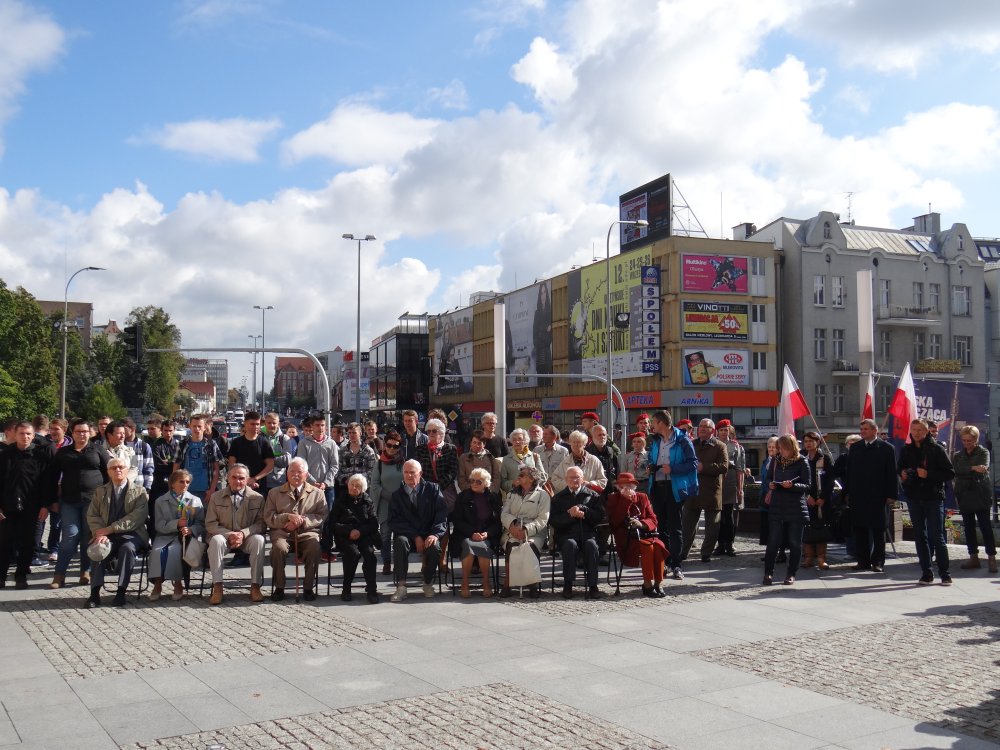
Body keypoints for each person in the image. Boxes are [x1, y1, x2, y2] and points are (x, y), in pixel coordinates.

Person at [50, 419, 108, 588]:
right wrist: (52, 500)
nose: (82, 434)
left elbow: (108, 473)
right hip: (69, 501)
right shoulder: (63, 452)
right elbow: (52, 477)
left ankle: (85, 571)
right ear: (72, 433)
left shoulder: (98, 450)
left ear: (90, 433)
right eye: (78, 431)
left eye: (85, 431)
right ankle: (59, 574)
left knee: (87, 537)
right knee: (70, 536)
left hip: (93, 501)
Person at [84, 457, 149, 607]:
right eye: (114, 468)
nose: (117, 470)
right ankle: (94, 594)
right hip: (106, 535)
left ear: (127, 470)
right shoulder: (100, 492)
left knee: (128, 549)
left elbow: (136, 518)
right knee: (98, 548)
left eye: (121, 467)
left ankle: (121, 592)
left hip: (132, 534)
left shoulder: (140, 491)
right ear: (108, 472)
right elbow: (92, 515)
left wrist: (109, 529)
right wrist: (99, 533)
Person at [899, 418, 955, 585]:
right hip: (914, 496)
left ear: (927, 431)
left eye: (920, 430)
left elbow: (949, 473)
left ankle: (945, 573)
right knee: (920, 536)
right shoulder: (906, 449)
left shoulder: (936, 449)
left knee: (936, 536)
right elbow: (899, 467)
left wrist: (928, 474)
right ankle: (926, 572)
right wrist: (902, 473)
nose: (916, 433)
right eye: (914, 430)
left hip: (933, 497)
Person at [264, 456, 327, 601]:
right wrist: (287, 517)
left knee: (314, 548)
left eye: (299, 472)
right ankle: (279, 587)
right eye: (292, 471)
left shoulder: (317, 493)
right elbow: (268, 517)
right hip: (282, 532)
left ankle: (308, 587)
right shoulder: (274, 493)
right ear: (287, 473)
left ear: (306, 474)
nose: (295, 475)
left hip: (307, 532)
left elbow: (322, 515)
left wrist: (301, 521)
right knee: (278, 549)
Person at [646, 410, 698, 581]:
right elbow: (651, 458)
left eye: (653, 422)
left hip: (674, 487)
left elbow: (693, 463)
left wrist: (673, 469)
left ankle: (677, 564)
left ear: (661, 423)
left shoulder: (682, 439)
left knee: (675, 527)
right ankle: (665, 562)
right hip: (657, 486)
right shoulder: (655, 440)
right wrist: (651, 466)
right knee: (661, 527)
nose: (652, 426)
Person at [0, 422, 53, 589]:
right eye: (22, 433)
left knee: (28, 543)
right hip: (7, 506)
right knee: (4, 543)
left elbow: (46, 483)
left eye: (29, 434)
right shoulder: (4, 455)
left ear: (33, 435)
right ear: (15, 435)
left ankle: (21, 575)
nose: (25, 437)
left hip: (32, 506)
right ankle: (1, 576)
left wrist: (45, 505)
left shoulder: (40, 456)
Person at [205, 463, 266, 604]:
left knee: (259, 540)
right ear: (227, 478)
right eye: (234, 477)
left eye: (241, 478)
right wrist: (229, 534)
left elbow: (261, 524)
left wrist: (243, 534)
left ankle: (255, 586)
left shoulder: (258, 498)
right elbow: (210, 524)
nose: (237, 481)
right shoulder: (216, 497)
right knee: (216, 541)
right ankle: (217, 587)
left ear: (247, 479)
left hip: (247, 537)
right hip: (224, 537)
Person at [388, 459, 447, 601]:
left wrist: (435, 534)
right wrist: (415, 536)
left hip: (428, 532)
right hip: (408, 535)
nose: (409, 475)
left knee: (435, 547)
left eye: (412, 472)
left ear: (420, 473)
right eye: (406, 472)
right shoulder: (396, 495)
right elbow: (394, 521)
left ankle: (427, 582)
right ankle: (401, 586)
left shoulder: (433, 489)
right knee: (400, 542)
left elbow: (441, 514)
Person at [845, 419, 898, 573]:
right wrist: (847, 492)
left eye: (866, 429)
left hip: (878, 495)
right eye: (861, 429)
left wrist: (891, 494)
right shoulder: (855, 448)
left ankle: (878, 562)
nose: (862, 432)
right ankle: (863, 561)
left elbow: (891, 473)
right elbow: (850, 472)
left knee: (878, 530)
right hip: (858, 495)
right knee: (860, 529)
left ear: (875, 430)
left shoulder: (887, 448)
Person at [607, 472, 667, 596]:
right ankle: (647, 584)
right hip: (626, 538)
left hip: (646, 534)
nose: (626, 489)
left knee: (658, 546)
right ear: (618, 487)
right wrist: (625, 500)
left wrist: (642, 523)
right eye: (623, 486)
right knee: (648, 548)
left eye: (629, 486)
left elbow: (653, 519)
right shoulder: (613, 498)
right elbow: (614, 522)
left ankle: (658, 583)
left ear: (634, 486)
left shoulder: (642, 497)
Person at [550, 465, 606, 599]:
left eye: (577, 477)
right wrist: (570, 515)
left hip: (588, 533)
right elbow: (553, 521)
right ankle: (568, 584)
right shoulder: (558, 498)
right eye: (571, 478)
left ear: (582, 479)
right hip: (566, 534)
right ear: (566, 479)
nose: (574, 480)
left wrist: (585, 511)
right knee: (570, 545)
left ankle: (593, 585)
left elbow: (599, 517)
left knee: (591, 545)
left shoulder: (593, 495)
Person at [149, 470, 205, 602]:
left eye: (187, 482)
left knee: (175, 550)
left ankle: (178, 583)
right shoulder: (160, 501)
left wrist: (191, 529)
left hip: (185, 537)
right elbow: (158, 524)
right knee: (157, 551)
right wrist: (176, 524)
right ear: (172, 483)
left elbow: (201, 523)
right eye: (181, 481)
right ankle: (157, 584)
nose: (185, 484)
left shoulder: (195, 500)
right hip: (164, 535)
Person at [762, 434, 810, 586]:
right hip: (777, 505)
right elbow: (768, 478)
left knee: (795, 542)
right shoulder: (776, 460)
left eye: (783, 448)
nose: (780, 451)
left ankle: (791, 574)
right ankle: (768, 573)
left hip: (795, 506)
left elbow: (807, 485)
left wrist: (793, 485)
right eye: (779, 448)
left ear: (791, 447)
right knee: (773, 542)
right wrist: (770, 484)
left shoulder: (802, 461)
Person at [499, 466, 549, 598]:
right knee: (512, 545)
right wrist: (512, 526)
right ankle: (508, 583)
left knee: (529, 546)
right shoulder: (511, 494)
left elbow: (543, 519)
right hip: (513, 530)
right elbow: (504, 514)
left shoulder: (542, 495)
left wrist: (526, 530)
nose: (518, 477)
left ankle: (532, 584)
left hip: (534, 532)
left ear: (531, 479)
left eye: (522, 475)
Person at [952, 426, 996, 573]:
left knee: (985, 527)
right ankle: (973, 557)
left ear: (976, 439)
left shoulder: (983, 452)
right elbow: (956, 470)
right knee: (969, 527)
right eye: (964, 440)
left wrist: (968, 469)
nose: (966, 443)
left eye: (969, 440)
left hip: (980, 494)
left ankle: (991, 558)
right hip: (964, 494)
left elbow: (983, 468)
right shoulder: (958, 455)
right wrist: (972, 468)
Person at [331, 473, 381, 603]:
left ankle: (372, 589)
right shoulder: (340, 500)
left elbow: (374, 523)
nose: (354, 488)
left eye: (357, 486)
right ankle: (346, 588)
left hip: (363, 535)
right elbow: (333, 523)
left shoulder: (367, 501)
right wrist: (349, 530)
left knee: (370, 555)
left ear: (363, 489)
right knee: (353, 553)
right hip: (345, 536)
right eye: (352, 484)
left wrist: (360, 531)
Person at [452, 466, 501, 598]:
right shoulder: (463, 497)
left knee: (483, 546)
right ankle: (465, 582)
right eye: (472, 480)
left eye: (478, 481)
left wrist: (487, 533)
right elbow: (457, 520)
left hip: (486, 535)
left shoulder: (493, 497)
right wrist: (471, 533)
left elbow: (498, 522)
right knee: (469, 545)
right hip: (465, 534)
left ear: (486, 483)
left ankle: (486, 582)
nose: (474, 483)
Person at [683, 419, 727, 563]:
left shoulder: (720, 446)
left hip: (711, 490)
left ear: (712, 430)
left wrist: (704, 467)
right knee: (687, 524)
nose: (701, 429)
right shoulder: (691, 444)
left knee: (712, 526)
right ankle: (683, 552)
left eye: (705, 427)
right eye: (700, 426)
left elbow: (724, 466)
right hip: (693, 489)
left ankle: (706, 553)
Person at [295, 417, 339, 560]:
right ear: (312, 427)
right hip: (308, 487)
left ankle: (325, 550)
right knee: (306, 517)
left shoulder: (331, 443)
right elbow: (302, 465)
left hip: (327, 488)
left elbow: (334, 466)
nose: (320, 428)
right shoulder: (304, 443)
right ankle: (303, 551)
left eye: (323, 425)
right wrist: (313, 482)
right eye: (317, 425)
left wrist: (325, 483)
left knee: (327, 518)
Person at [371, 430, 403, 575]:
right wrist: (389, 495)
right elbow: (374, 485)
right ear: (385, 445)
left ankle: (399, 562)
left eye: (395, 446)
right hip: (385, 504)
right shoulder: (379, 464)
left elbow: (409, 481)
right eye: (389, 445)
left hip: (401, 505)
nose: (391, 448)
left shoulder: (403, 463)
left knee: (399, 536)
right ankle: (386, 562)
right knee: (385, 535)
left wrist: (400, 497)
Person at [801, 430, 834, 569]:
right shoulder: (801, 458)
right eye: (806, 441)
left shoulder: (825, 458)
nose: (808, 444)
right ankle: (808, 557)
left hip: (821, 501)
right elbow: (799, 479)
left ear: (818, 442)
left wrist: (823, 497)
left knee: (821, 528)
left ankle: (821, 558)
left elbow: (830, 480)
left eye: (811, 441)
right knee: (807, 528)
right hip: (806, 499)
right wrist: (807, 496)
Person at [173, 415, 222, 502]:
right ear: (190, 427)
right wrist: (176, 488)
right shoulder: (182, 444)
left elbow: (216, 470)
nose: (197, 429)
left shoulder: (211, 444)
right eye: (194, 426)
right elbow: (176, 469)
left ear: (204, 427)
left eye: (199, 426)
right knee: (183, 511)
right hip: (186, 490)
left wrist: (212, 490)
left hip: (205, 491)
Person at [714, 421, 743, 556]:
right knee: (718, 516)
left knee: (728, 514)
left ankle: (729, 544)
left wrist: (740, 487)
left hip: (730, 482)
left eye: (726, 430)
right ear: (717, 431)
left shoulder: (735, 446)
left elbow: (740, 468)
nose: (724, 432)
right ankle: (719, 544)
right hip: (716, 482)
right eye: (721, 430)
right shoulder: (712, 444)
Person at [227, 412, 275, 492]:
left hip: (258, 487)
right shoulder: (236, 442)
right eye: (252, 424)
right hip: (239, 485)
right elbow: (232, 464)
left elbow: (270, 465)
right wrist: (243, 479)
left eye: (257, 424)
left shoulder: (264, 443)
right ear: (245, 424)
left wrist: (254, 479)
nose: (255, 427)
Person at [757, 436, 786, 562]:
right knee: (767, 527)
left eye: (774, 447)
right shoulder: (765, 462)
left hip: (778, 499)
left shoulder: (782, 461)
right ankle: (769, 552)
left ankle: (781, 552)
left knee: (779, 527)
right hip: (765, 499)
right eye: (769, 447)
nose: (771, 449)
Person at [499, 428, 548, 496]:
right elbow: (502, 482)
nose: (517, 442)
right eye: (514, 440)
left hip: (532, 496)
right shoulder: (506, 459)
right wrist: (512, 483)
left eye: (520, 439)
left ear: (525, 441)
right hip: (514, 496)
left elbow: (543, 477)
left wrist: (531, 484)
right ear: (511, 442)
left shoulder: (535, 456)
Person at [337, 423, 379, 493]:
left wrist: (360, 480)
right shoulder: (342, 451)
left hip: (363, 489)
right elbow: (337, 469)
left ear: (360, 433)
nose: (351, 435)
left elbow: (373, 470)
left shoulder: (368, 450)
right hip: (345, 488)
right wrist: (344, 480)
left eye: (354, 433)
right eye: (350, 433)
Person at [262, 412, 295, 495]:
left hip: (279, 482)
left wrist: (267, 459)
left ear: (278, 424)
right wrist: (278, 457)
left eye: (274, 423)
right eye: (269, 423)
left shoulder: (284, 438)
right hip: (261, 481)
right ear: (265, 423)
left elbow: (287, 460)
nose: (271, 425)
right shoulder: (259, 437)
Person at [147, 417, 178, 503]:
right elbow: (158, 463)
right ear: (161, 430)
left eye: (170, 430)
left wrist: (168, 463)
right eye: (166, 430)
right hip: (159, 481)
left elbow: (180, 463)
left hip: (175, 480)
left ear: (174, 430)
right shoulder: (156, 445)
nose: (168, 433)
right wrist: (172, 463)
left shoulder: (178, 444)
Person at [123, 417, 154, 493]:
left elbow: (148, 470)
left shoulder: (144, 446)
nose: (122, 432)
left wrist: (147, 489)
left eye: (124, 429)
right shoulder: (119, 445)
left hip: (139, 488)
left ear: (132, 429)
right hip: (122, 488)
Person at [586, 424, 620, 488]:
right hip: (593, 488)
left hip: (610, 488)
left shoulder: (610, 451)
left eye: (604, 435)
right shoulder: (586, 452)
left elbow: (617, 470)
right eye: (599, 435)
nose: (602, 437)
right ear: (592, 436)